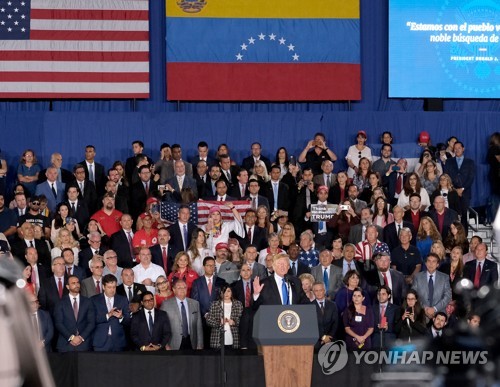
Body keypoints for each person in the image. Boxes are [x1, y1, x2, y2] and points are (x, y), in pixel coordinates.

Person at [53, 275, 95, 352]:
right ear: (67, 286)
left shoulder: (88, 302)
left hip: (84, 344)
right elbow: (58, 323)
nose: (76, 285)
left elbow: (91, 322)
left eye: (78, 282)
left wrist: (81, 337)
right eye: (73, 283)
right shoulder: (60, 303)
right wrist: (71, 337)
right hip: (65, 345)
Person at [160, 279, 204, 350]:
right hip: (173, 343)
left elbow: (198, 326)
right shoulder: (166, 304)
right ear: (174, 290)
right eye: (179, 287)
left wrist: (200, 344)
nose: (182, 289)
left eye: (184, 287)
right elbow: (161, 326)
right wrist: (166, 344)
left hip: (192, 342)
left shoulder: (195, 303)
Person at [91, 274, 130, 351]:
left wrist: (121, 317)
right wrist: (108, 315)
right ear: (103, 287)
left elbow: (128, 321)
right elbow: (92, 320)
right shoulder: (94, 300)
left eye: (114, 287)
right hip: (100, 342)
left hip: (118, 342)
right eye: (109, 287)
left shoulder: (123, 300)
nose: (112, 290)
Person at [443, 141, 476, 230]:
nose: (457, 150)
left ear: (463, 149)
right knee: (452, 214)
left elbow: (471, 178)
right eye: (455, 148)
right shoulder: (449, 161)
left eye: (459, 148)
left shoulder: (470, 162)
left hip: (465, 193)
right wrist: (454, 189)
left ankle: (464, 237)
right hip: (452, 192)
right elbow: (446, 176)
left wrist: (462, 189)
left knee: (464, 215)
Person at [412, 253, 452, 319]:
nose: (431, 264)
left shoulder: (444, 277)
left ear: (437, 264)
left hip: (439, 314)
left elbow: (448, 296)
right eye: (429, 261)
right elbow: (413, 295)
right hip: (421, 313)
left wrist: (435, 309)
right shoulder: (417, 277)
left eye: (434, 261)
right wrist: (425, 308)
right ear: (425, 263)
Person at [206, 285, 243, 349]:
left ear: (232, 293)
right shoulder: (214, 304)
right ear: (221, 293)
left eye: (228, 291)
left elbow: (242, 320)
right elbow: (208, 320)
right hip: (217, 340)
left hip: (234, 339)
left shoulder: (238, 304)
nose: (226, 293)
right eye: (224, 291)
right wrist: (219, 322)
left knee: (232, 358)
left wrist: (234, 322)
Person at [312, 281, 339, 351]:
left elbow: (335, 323)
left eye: (320, 290)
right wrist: (323, 338)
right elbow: (311, 326)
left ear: (324, 290)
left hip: (331, 340)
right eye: (316, 291)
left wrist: (329, 337)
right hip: (317, 342)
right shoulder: (310, 306)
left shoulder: (333, 305)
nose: (318, 293)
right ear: (313, 292)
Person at [372, 285, 400, 350]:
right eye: (379, 294)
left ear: (389, 295)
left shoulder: (396, 308)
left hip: (390, 340)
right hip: (376, 341)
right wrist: (376, 327)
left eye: (383, 294)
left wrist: (388, 327)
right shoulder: (372, 308)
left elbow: (398, 326)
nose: (381, 296)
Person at [487, 132, 500, 223]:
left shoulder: (492, 149)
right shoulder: (495, 149)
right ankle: (495, 219)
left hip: (495, 176)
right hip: (497, 176)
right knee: (496, 197)